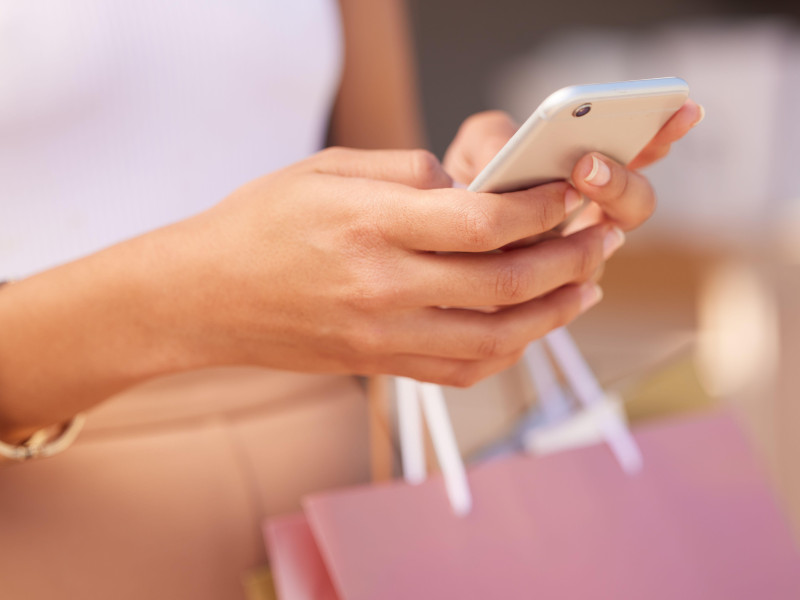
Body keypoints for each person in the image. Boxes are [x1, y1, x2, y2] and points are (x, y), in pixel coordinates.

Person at [0, 0, 702, 598]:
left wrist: (487, 221)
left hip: (337, 504)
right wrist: (191, 298)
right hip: (49, 535)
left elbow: (390, 176)